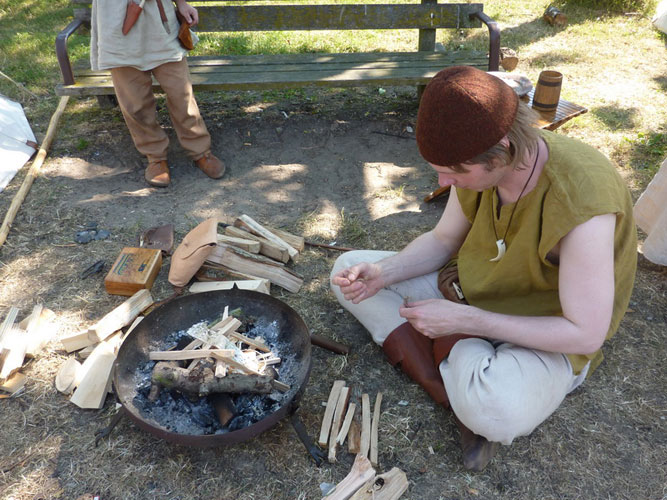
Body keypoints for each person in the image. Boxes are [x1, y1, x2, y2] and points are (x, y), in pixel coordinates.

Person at [330, 66, 637, 471]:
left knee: (496, 410)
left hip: (545, 332)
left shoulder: (581, 203)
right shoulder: (482, 171)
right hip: (469, 293)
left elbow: (585, 333)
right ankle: (457, 371)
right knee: (350, 269)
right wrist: (385, 273)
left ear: (503, 149)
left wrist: (466, 320)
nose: (442, 181)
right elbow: (443, 241)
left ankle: (452, 356)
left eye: (454, 171)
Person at [90, 0, 225, 187]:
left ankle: (201, 152)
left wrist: (182, 3)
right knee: (135, 103)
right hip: (116, 21)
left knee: (182, 94)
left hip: (159, 22)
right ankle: (155, 157)